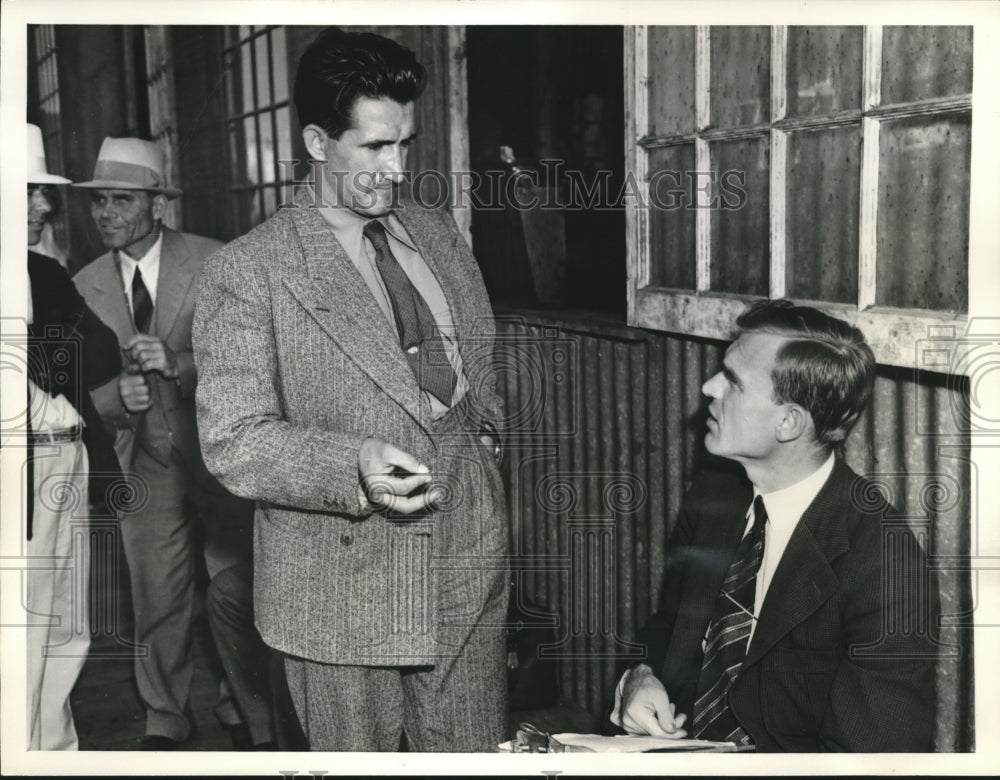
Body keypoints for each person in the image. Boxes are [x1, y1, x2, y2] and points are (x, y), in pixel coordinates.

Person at [192, 27, 509, 751]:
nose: (396, 168)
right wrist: (351, 465)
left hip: (466, 560)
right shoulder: (249, 271)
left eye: (405, 144)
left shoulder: (436, 231)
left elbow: (478, 352)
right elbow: (234, 441)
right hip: (337, 586)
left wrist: (480, 441)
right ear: (315, 141)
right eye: (374, 148)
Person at [611, 300, 938, 752]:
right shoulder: (716, 495)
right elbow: (669, 625)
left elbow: (868, 763)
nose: (708, 387)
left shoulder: (884, 565)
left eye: (734, 382)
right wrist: (639, 676)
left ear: (789, 422)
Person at [71, 137, 254, 750]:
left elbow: (254, 360)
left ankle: (244, 710)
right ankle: (167, 720)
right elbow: (70, 393)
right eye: (98, 202)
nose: (105, 214)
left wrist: (179, 362)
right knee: (156, 599)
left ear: (156, 205)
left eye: (121, 200)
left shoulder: (215, 261)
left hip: (220, 452)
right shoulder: (81, 284)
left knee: (236, 588)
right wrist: (114, 399)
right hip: (143, 461)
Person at [23, 123, 122, 749]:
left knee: (62, 628)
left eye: (44, 193)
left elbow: (102, 353)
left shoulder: (42, 273)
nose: (43, 206)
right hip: (22, 476)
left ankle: (53, 754)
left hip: (58, 464)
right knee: (25, 632)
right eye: (30, 192)